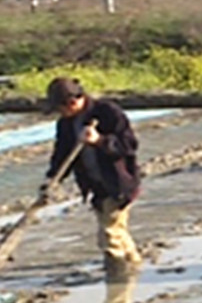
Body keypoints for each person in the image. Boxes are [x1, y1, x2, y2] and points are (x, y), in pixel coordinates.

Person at [44, 75, 143, 281]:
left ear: (72, 102)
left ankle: (118, 280)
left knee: (109, 233)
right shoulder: (65, 124)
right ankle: (133, 264)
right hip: (96, 186)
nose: (60, 113)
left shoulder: (107, 112)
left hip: (119, 183)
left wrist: (100, 140)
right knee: (116, 229)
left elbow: (129, 145)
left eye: (60, 108)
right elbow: (62, 155)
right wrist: (52, 179)